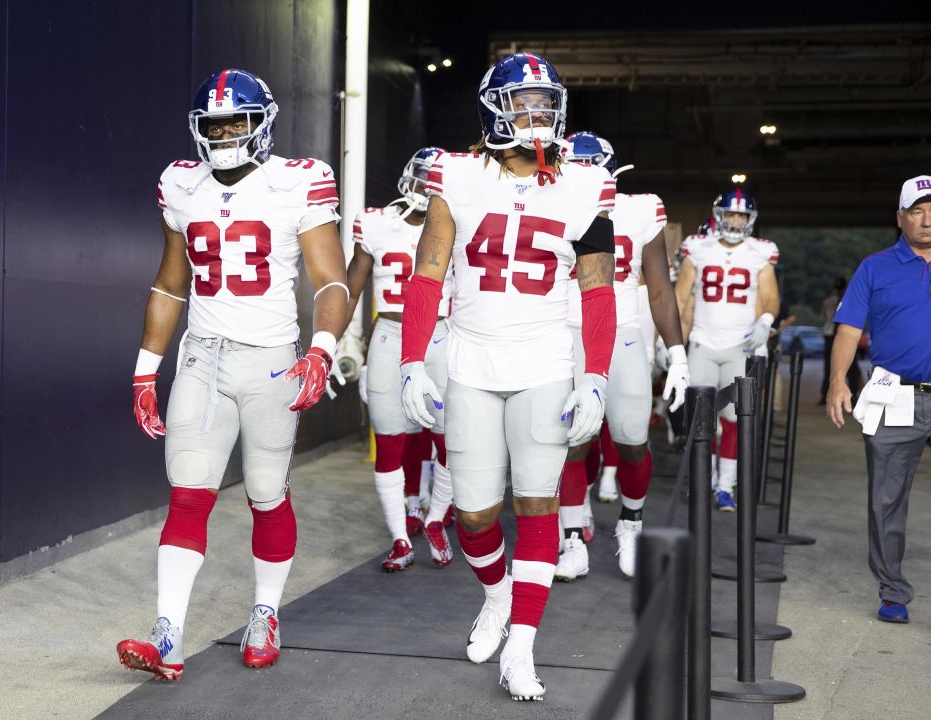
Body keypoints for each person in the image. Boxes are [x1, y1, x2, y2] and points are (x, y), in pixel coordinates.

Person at [116, 68, 351, 680]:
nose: (223, 135)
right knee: (188, 491)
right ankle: (166, 635)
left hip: (273, 359)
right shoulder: (181, 184)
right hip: (203, 355)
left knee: (267, 493)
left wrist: (322, 349)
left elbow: (330, 279)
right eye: (213, 124)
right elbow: (171, 284)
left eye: (235, 122)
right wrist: (145, 370)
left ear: (262, 124)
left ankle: (266, 612)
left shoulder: (296, 182)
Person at [398, 52, 616, 701]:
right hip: (470, 360)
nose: (537, 114)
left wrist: (595, 375)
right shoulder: (455, 175)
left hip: (544, 361)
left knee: (538, 500)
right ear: (495, 109)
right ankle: (496, 594)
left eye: (546, 103)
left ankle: (522, 645)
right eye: (524, 102)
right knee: (472, 515)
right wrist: (413, 359)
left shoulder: (583, 184)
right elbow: (428, 274)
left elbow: (598, 291)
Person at [826, 175, 931, 632]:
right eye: (917, 210)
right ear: (900, 218)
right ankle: (892, 590)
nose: (927, 220)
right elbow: (849, 328)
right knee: (886, 500)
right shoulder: (875, 268)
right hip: (893, 395)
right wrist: (837, 381)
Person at [553, 131, 689, 581]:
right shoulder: (549, 204)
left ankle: (631, 525)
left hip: (622, 333)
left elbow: (660, 287)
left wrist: (677, 352)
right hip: (564, 333)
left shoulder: (639, 208)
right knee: (573, 440)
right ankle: (572, 536)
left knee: (631, 439)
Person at [342, 146, 456, 572]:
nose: (427, 187)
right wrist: (338, 342)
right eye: (422, 177)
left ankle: (437, 517)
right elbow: (352, 287)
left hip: (442, 334)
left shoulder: (458, 223)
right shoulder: (377, 224)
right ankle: (400, 537)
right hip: (390, 334)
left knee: (448, 438)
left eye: (435, 179)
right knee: (390, 441)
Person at [674, 189, 780, 511]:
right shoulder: (698, 248)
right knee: (698, 418)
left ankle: (725, 486)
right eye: (730, 214)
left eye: (741, 216)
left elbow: (771, 295)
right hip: (703, 343)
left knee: (734, 419)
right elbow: (681, 300)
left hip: (739, 345)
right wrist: (673, 343)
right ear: (719, 215)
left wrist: (765, 318)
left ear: (750, 219)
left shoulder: (760, 253)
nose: (735, 221)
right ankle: (702, 479)